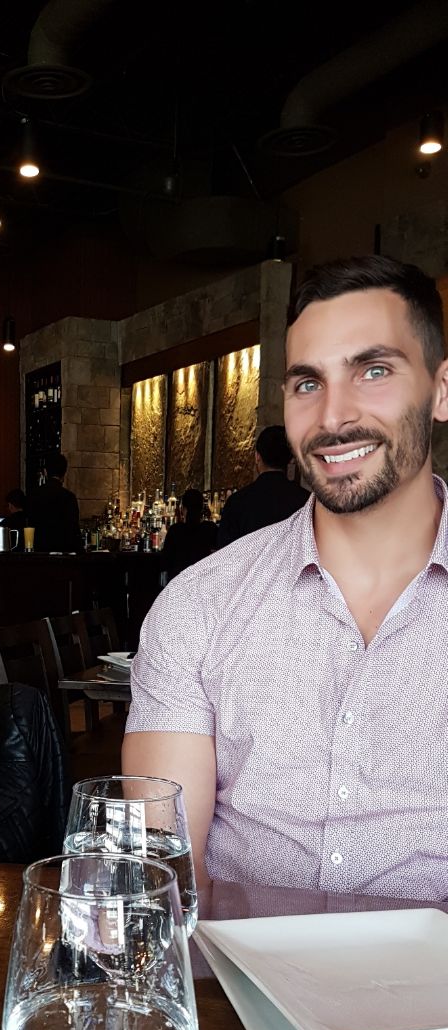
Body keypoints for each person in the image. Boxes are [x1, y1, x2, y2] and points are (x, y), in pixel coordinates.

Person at [123, 255, 448, 899]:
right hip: (237, 967)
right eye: (307, 383)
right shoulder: (199, 605)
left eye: (374, 370)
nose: (332, 417)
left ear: (440, 390)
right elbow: (163, 884)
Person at [217, 425, 309, 547]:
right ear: (290, 459)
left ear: (257, 457)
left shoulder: (237, 502)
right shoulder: (307, 501)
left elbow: (225, 552)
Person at [24, 454, 81, 554]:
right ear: (64, 474)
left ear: (45, 472)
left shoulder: (33, 495)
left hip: (38, 553)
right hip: (63, 555)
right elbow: (73, 531)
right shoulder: (68, 497)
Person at [162, 489, 217, 578]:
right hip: (204, 580)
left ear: (184, 509)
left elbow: (165, 561)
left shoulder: (175, 530)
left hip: (178, 581)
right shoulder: (211, 529)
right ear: (202, 508)